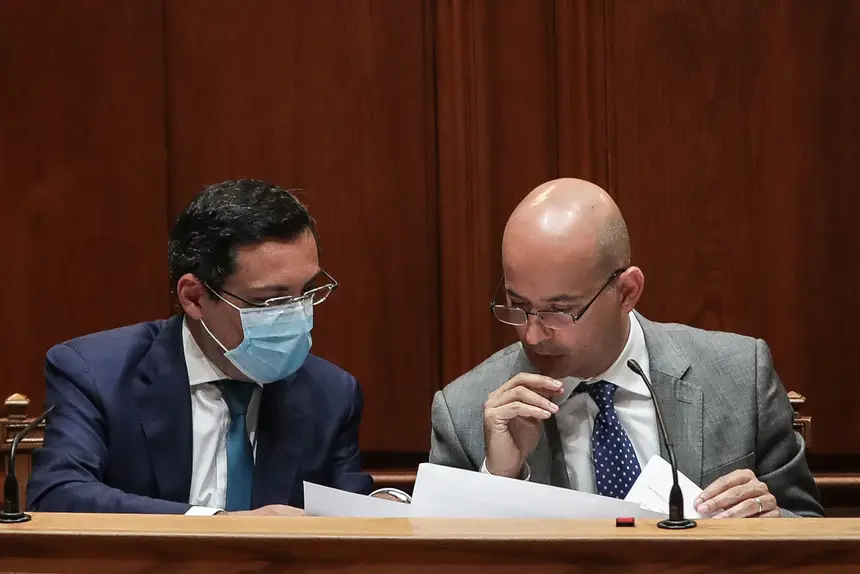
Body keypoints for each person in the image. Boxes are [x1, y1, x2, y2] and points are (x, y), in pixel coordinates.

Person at [430, 178, 823, 518]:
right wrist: (500, 480)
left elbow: (809, 530)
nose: (532, 335)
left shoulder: (739, 378)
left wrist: (769, 522)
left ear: (627, 292)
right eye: (518, 305)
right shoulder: (464, 412)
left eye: (559, 311)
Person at [28, 179, 374, 515]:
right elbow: (58, 494)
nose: (297, 314)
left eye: (307, 292)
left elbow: (353, 515)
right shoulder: (95, 375)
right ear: (194, 297)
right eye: (270, 300)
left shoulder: (331, 393)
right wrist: (221, 526)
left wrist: (390, 506)